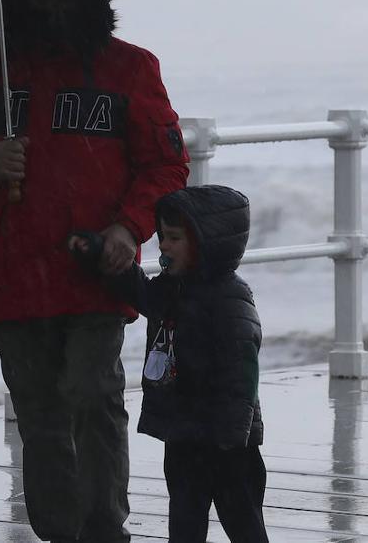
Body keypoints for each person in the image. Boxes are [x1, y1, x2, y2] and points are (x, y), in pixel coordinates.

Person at [0, 0, 190, 542]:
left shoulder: (130, 68)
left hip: (96, 264)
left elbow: (167, 163)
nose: (50, 7)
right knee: (39, 408)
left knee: (92, 393)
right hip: (13, 271)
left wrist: (128, 228)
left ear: (88, 0)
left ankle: (104, 530)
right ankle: (57, 530)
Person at [69, 184, 268, 542]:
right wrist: (101, 255)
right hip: (184, 433)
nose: (163, 245)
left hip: (228, 444)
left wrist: (232, 433)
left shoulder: (229, 298)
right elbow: (140, 293)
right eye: (162, 236)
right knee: (185, 519)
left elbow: (243, 371)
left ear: (206, 243)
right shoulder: (172, 288)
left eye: (174, 238)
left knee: (243, 520)